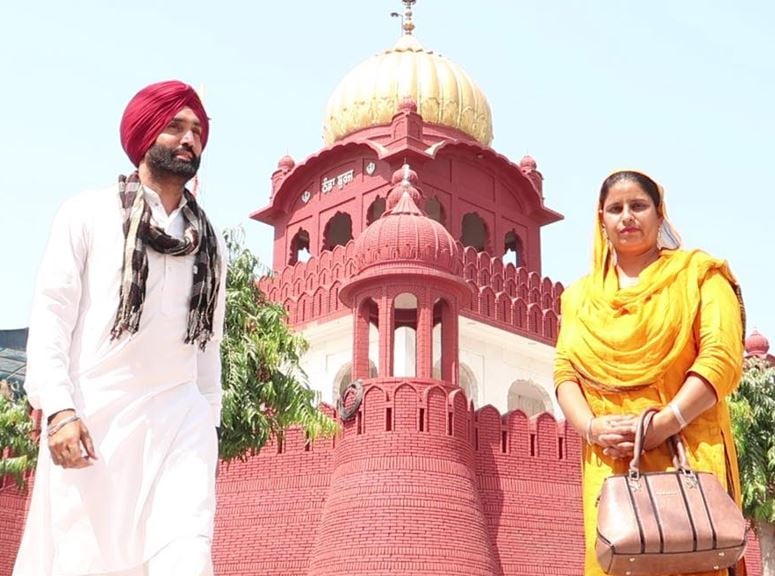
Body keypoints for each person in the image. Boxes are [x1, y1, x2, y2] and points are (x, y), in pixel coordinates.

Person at [14, 80, 227, 576]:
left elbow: (207, 345)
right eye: (175, 126)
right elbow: (52, 312)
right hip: (97, 418)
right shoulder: (87, 213)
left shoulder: (210, 242)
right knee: (85, 561)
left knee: (188, 552)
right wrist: (59, 409)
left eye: (196, 129)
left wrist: (209, 426)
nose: (188, 138)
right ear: (145, 134)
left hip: (181, 420)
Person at [554, 170, 746, 576]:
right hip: (612, 459)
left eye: (638, 206)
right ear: (601, 221)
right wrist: (591, 428)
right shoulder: (579, 298)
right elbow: (564, 371)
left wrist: (666, 421)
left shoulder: (700, 276)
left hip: (688, 453)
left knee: (697, 558)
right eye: (615, 208)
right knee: (618, 561)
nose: (626, 216)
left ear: (660, 216)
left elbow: (721, 358)